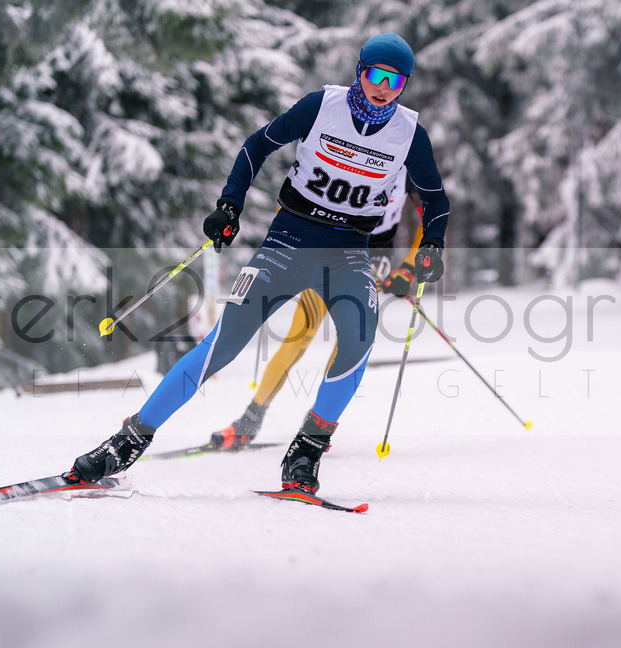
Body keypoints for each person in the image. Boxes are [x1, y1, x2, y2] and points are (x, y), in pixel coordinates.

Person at [66, 32, 449, 495]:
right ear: (360, 72)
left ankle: (306, 450)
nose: (384, 87)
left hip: (348, 252)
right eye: (376, 75)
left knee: (359, 337)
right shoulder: (321, 106)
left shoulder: (411, 134)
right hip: (288, 241)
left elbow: (434, 197)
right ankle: (127, 441)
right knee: (222, 345)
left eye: (396, 80)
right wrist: (230, 205)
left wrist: (433, 245)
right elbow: (256, 146)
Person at [209, 165, 425, 450]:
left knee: (347, 342)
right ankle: (249, 421)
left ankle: (316, 426)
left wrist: (409, 267)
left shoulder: (410, 164)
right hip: (337, 243)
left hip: (376, 253)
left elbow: (427, 219)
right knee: (300, 333)